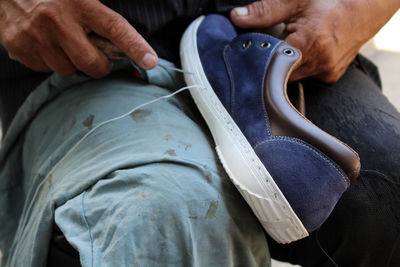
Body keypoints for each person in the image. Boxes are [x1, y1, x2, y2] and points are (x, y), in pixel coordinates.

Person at [0, 0, 398, 266]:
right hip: (79, 51)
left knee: (387, 192)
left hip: (271, 30)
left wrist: (359, 6)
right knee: (166, 212)